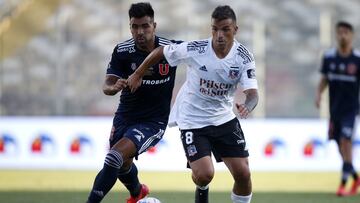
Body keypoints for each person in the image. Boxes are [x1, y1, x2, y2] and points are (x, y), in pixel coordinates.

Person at [128, 5, 258, 203]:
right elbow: (162, 51)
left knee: (243, 174)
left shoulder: (243, 57)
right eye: (215, 29)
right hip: (193, 120)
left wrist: (248, 105)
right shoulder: (196, 49)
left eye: (225, 29)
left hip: (223, 118)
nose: (219, 35)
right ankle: (202, 188)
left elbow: (253, 94)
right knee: (205, 174)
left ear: (235, 30)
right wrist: (138, 73)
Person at [86, 2, 179, 203]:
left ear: (154, 25)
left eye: (145, 26)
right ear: (130, 27)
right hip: (125, 117)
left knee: (114, 157)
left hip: (153, 121)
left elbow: (199, 53)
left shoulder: (171, 48)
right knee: (121, 165)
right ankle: (138, 192)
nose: (140, 31)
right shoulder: (122, 51)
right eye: (135, 27)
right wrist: (115, 87)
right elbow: (107, 85)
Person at [315, 21, 360, 196]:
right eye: (339, 32)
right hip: (334, 111)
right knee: (340, 147)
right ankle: (355, 177)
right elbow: (324, 79)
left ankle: (343, 184)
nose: (342, 35)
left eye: (346, 32)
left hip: (351, 110)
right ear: (336, 34)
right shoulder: (329, 58)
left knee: (345, 141)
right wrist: (318, 94)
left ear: (351, 35)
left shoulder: (357, 59)